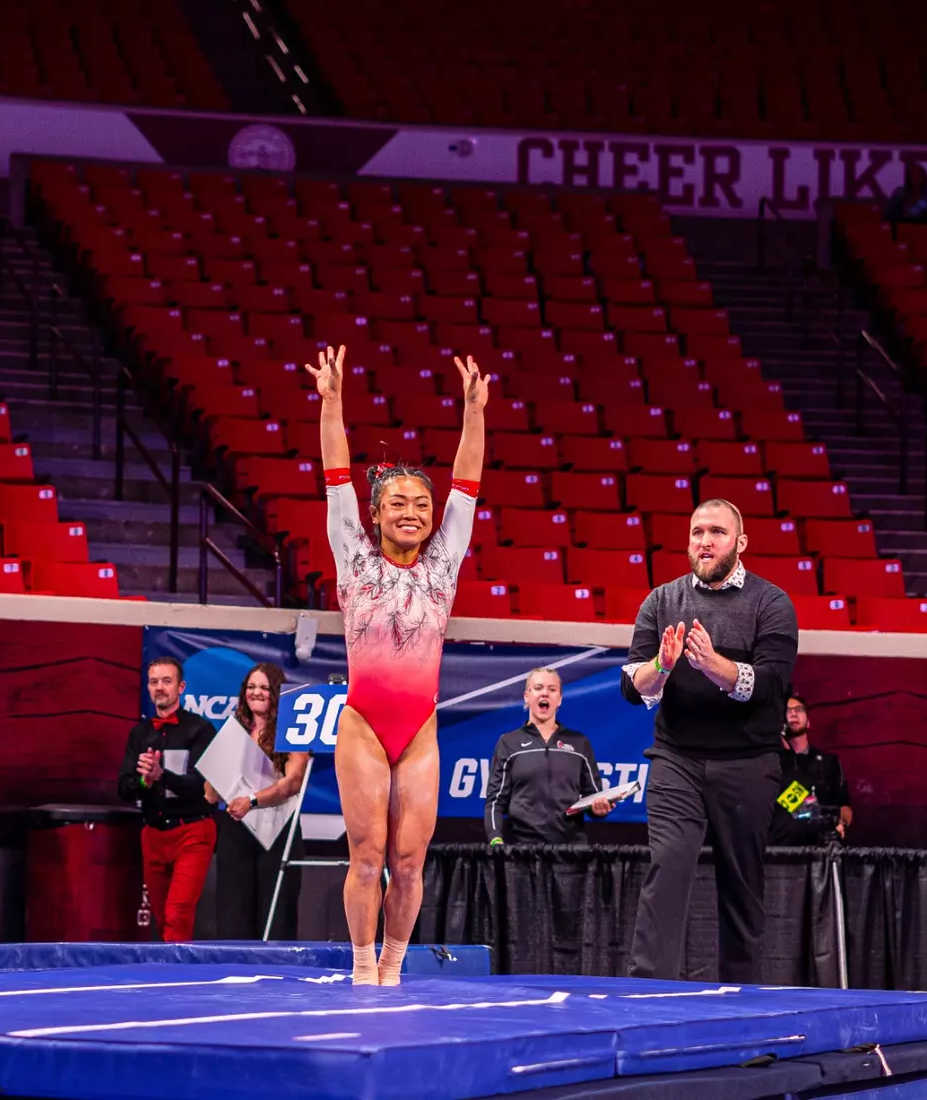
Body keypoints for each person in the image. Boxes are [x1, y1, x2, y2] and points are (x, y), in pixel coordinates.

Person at [306, 343, 488, 985]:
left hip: (418, 730)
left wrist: (474, 413)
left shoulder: (444, 564)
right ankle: (361, 967)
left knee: (409, 860)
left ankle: (393, 964)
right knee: (366, 855)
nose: (411, 513)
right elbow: (335, 475)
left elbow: (468, 484)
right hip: (363, 722)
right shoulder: (353, 556)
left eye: (420, 505)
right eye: (397, 504)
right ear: (375, 513)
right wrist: (333, 403)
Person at [620, 498, 799, 983]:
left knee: (741, 886)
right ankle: (647, 995)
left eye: (717, 532)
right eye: (697, 532)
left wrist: (711, 665)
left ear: (740, 543)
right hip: (677, 759)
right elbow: (632, 688)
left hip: (749, 763)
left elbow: (771, 687)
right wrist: (661, 666)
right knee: (667, 870)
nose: (705, 541)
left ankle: (741, 997)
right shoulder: (661, 601)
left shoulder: (772, 603)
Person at [117, 656, 219, 942]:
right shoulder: (139, 733)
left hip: (193, 831)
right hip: (153, 833)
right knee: (162, 917)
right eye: (153, 682)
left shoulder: (201, 730)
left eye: (166, 681)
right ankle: (168, 979)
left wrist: (161, 775)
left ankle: (178, 982)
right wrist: (144, 781)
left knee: (177, 913)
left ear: (181, 687)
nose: (159, 687)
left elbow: (202, 787)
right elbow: (125, 788)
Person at [213, 662, 309, 939]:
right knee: (233, 912)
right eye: (251, 687)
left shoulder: (291, 732)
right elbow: (210, 792)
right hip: (236, 828)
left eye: (264, 688)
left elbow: (292, 783)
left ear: (277, 693)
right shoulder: (235, 731)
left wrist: (252, 800)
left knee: (276, 915)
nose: (256, 693)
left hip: (278, 829)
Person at [483, 667, 614, 845]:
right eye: (538, 688)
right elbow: (495, 801)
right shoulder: (508, 742)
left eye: (552, 689)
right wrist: (495, 839)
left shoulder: (579, 743)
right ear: (526, 696)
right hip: (522, 852)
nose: (545, 693)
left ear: (559, 699)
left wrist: (599, 809)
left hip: (571, 855)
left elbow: (593, 798)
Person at [771, 691, 853, 846]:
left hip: (819, 848)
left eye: (799, 710)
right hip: (780, 850)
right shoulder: (773, 762)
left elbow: (844, 805)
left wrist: (842, 824)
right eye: (788, 711)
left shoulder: (829, 762)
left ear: (808, 722)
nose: (793, 714)